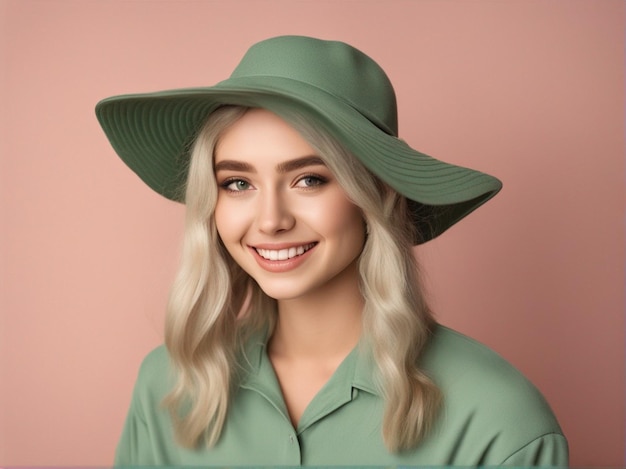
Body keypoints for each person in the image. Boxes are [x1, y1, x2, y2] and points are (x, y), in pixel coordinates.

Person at [96, 35, 568, 466]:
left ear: (375, 196)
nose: (270, 220)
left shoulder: (496, 419)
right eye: (238, 183)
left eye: (309, 179)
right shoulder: (168, 386)